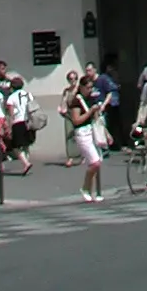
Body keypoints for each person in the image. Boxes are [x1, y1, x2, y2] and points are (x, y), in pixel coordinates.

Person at [66, 74, 104, 202]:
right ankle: (85, 188)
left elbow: (96, 119)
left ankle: (93, 191)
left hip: (92, 131)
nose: (90, 90)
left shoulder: (91, 99)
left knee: (95, 162)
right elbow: (76, 121)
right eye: (87, 87)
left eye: (91, 87)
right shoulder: (77, 101)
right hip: (82, 133)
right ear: (81, 87)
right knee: (95, 162)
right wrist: (90, 111)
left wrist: (106, 134)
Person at [4, 74, 35, 173]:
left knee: (15, 146)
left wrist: (9, 127)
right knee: (26, 143)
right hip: (28, 121)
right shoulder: (28, 94)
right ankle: (27, 161)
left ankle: (26, 163)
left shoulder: (11, 98)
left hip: (18, 122)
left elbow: (11, 114)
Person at [58, 71, 82, 167]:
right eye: (70, 79)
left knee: (80, 135)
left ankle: (82, 155)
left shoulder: (79, 89)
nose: (73, 81)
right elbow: (63, 101)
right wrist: (61, 108)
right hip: (69, 114)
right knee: (68, 135)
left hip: (79, 114)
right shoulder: (66, 91)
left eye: (74, 78)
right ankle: (70, 158)